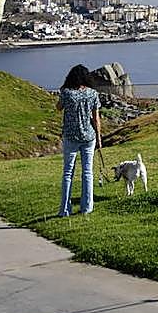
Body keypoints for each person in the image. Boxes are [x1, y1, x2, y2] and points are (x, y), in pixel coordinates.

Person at [57, 64, 103, 217]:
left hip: (71, 135)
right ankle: (87, 207)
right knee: (87, 172)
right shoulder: (93, 94)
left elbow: (58, 107)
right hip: (89, 136)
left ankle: (64, 209)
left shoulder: (66, 93)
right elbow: (96, 118)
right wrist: (99, 137)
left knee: (68, 173)